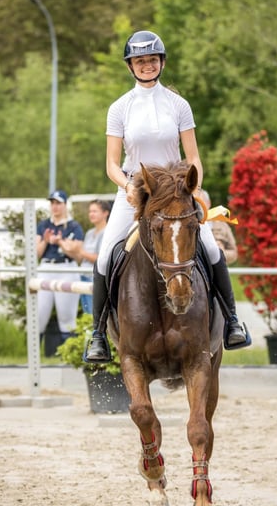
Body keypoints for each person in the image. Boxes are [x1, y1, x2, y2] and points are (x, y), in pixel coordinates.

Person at [84, 30, 249, 362]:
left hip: (175, 192)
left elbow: (194, 158)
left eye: (152, 60)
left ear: (161, 62)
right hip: (135, 193)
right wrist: (128, 186)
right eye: (140, 61)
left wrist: (191, 186)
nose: (147, 65)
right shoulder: (120, 107)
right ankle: (99, 335)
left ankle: (232, 321)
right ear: (131, 65)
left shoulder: (179, 104)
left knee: (212, 249)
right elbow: (111, 164)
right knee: (105, 257)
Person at [36, 190, 85, 349]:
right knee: (39, 314)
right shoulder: (43, 225)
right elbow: (36, 253)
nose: (55, 207)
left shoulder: (74, 226)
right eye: (52, 203)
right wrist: (45, 240)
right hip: (46, 266)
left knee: (66, 316)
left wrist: (61, 243)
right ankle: (33, 356)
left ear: (65, 205)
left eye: (58, 203)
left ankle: (68, 356)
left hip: (65, 267)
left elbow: (78, 255)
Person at [62, 199, 111, 315]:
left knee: (94, 315)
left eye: (95, 211)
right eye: (90, 211)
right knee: (87, 314)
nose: (91, 214)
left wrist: (79, 250)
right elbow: (81, 258)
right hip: (83, 277)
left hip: (96, 279)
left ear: (105, 213)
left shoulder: (108, 232)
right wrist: (64, 245)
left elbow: (101, 259)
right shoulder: (89, 233)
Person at [199, 189, 238, 265]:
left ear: (208, 203)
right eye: (196, 203)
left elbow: (234, 253)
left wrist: (222, 253)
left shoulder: (222, 225)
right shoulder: (187, 226)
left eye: (201, 202)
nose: (199, 206)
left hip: (218, 269)